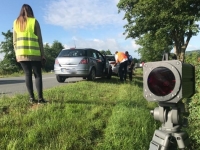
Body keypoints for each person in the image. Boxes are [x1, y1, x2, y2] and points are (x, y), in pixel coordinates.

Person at [13, 4, 47, 104]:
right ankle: (40, 99)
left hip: (21, 54)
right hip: (34, 53)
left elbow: (14, 41)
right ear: (31, 11)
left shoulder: (15, 22)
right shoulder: (34, 21)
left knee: (27, 75)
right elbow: (40, 39)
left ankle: (31, 98)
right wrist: (42, 54)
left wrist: (16, 54)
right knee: (37, 75)